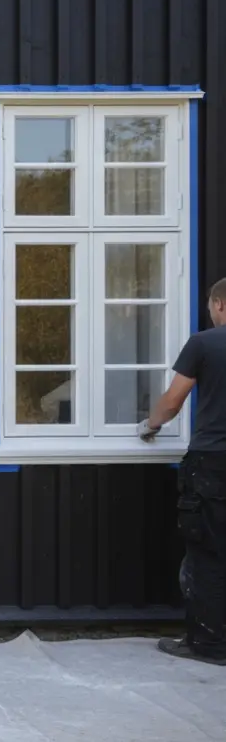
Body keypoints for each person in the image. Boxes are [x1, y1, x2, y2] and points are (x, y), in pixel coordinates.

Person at [140, 277, 226, 665]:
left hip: (214, 464)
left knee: (208, 553)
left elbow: (173, 401)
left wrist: (150, 425)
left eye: (211, 304)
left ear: (220, 305)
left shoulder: (205, 343)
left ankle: (209, 645)